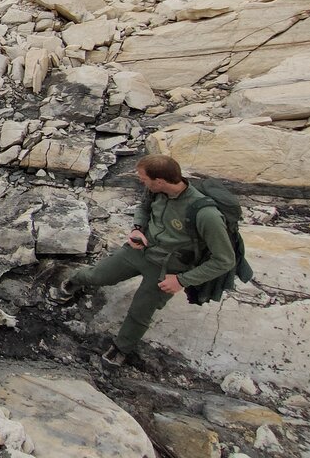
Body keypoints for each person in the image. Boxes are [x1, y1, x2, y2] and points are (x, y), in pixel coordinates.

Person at [52, 154, 236, 366]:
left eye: (143, 178)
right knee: (97, 275)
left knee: (140, 312)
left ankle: (121, 348)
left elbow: (224, 260)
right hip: (139, 250)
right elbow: (144, 207)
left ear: (160, 180)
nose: (141, 182)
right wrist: (137, 228)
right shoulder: (156, 190)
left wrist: (182, 280)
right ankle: (74, 282)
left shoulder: (206, 215)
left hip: (168, 268)